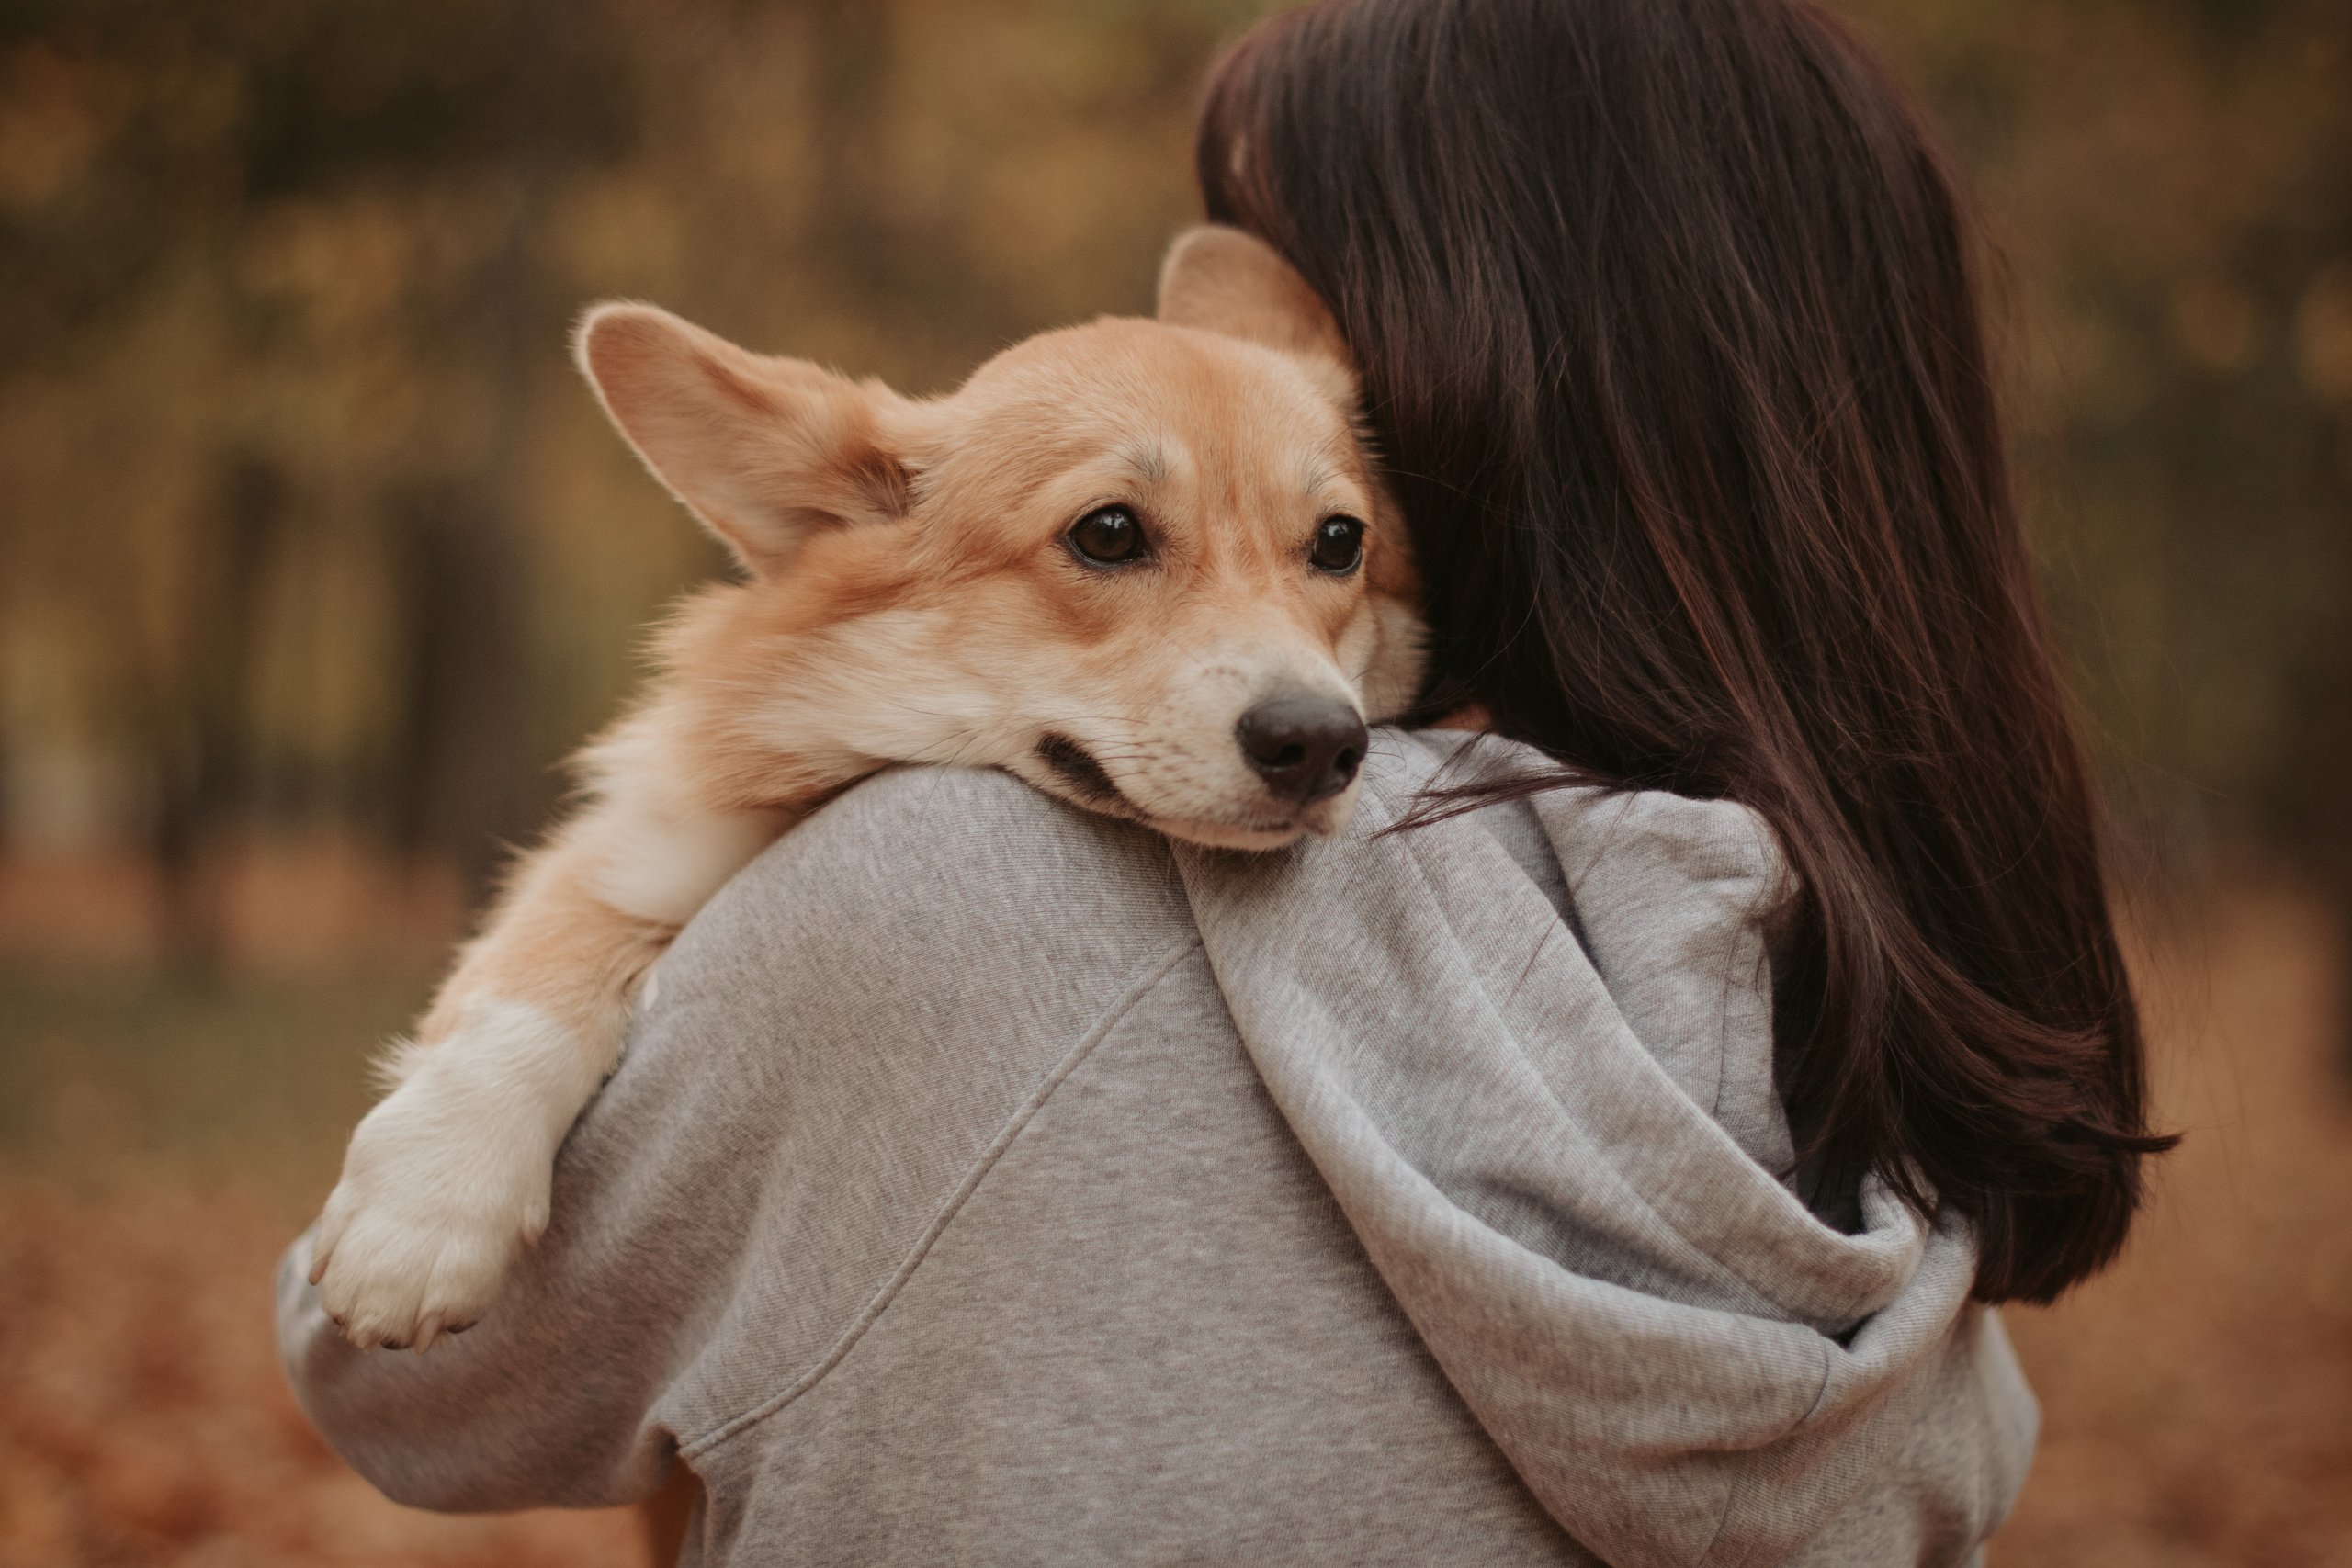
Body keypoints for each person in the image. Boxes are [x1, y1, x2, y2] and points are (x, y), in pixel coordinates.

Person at [277, 1, 2172, 1562]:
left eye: (1316, 310)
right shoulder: (1869, 1033)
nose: (1239, 339)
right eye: (1118, 531)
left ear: (1487, 376)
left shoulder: (956, 901)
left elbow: (412, 1383)